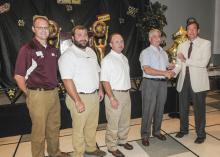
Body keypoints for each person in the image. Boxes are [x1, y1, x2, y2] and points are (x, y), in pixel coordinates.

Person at [14, 15, 69, 157]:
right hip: (37, 95)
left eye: (46, 27)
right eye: (40, 27)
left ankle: (54, 152)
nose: (44, 30)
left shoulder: (52, 49)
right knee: (39, 131)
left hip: (53, 94)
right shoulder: (27, 49)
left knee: (54, 127)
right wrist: (29, 93)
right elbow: (18, 76)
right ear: (33, 29)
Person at [58, 25, 106, 157]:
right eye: (79, 35)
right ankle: (78, 153)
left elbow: (97, 72)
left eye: (85, 35)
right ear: (73, 38)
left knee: (92, 125)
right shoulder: (68, 55)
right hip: (78, 97)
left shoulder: (91, 52)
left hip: (94, 96)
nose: (83, 38)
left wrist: (100, 90)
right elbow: (67, 80)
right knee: (79, 129)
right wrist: (77, 100)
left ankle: (90, 148)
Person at [173, 17, 211, 144]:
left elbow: (203, 63)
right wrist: (172, 72)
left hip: (198, 82)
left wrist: (186, 60)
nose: (191, 31)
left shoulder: (206, 43)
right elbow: (179, 64)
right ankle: (183, 130)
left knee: (199, 109)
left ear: (198, 30)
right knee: (183, 108)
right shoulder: (182, 45)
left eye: (194, 29)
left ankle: (201, 134)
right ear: (186, 32)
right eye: (189, 29)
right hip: (184, 80)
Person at [139, 29, 174, 146]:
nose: (158, 38)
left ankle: (157, 131)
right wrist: (164, 73)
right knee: (148, 110)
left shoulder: (164, 53)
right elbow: (147, 69)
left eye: (159, 36)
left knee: (160, 108)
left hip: (162, 84)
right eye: (155, 36)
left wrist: (171, 68)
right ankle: (145, 135)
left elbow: (166, 69)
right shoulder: (146, 52)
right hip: (150, 83)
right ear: (150, 39)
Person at [101, 33, 133, 157]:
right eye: (116, 41)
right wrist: (111, 97)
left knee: (125, 121)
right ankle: (111, 146)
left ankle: (122, 141)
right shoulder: (107, 60)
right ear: (111, 44)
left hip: (126, 94)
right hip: (114, 95)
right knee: (113, 123)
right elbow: (105, 81)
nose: (120, 44)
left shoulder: (124, 58)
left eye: (121, 41)